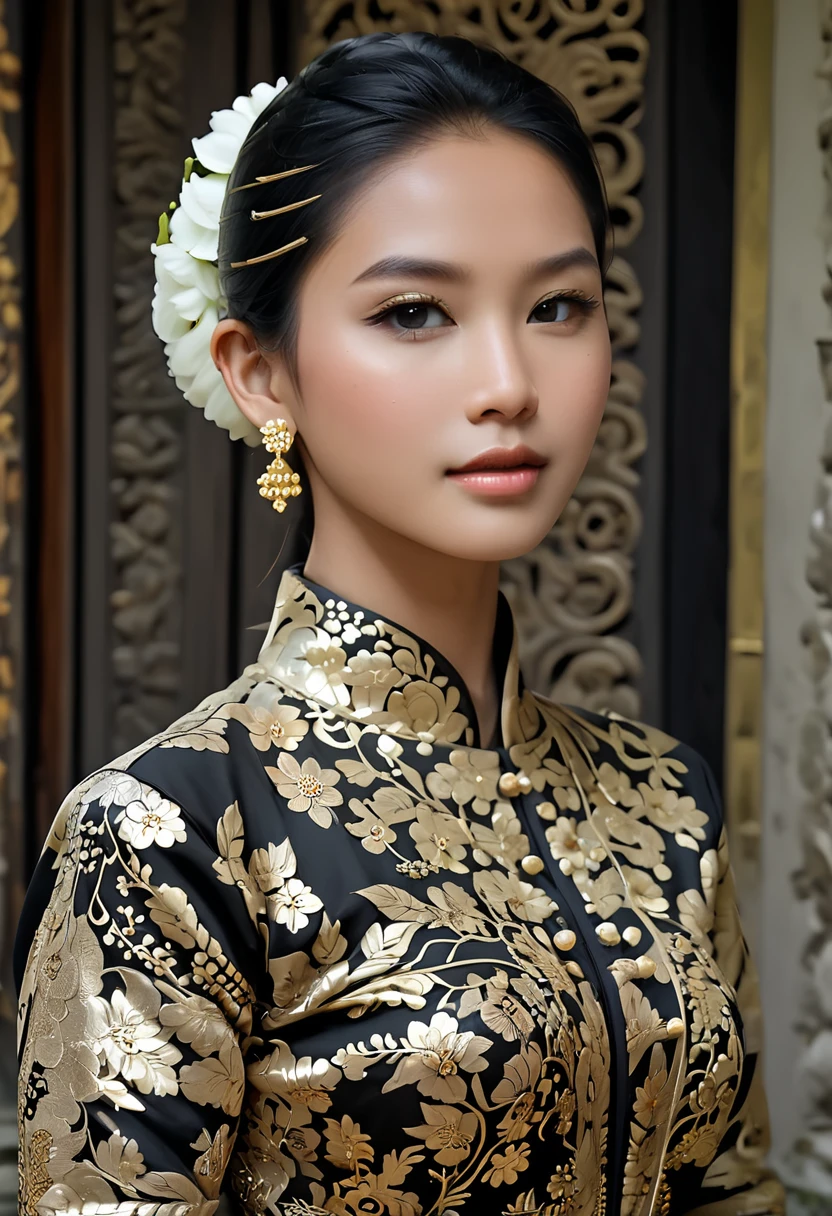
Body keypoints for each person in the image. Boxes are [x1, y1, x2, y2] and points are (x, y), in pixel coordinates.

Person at [15, 30, 784, 1216]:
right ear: (260, 372)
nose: (508, 381)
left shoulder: (661, 799)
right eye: (416, 310)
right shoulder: (171, 836)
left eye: (558, 305)